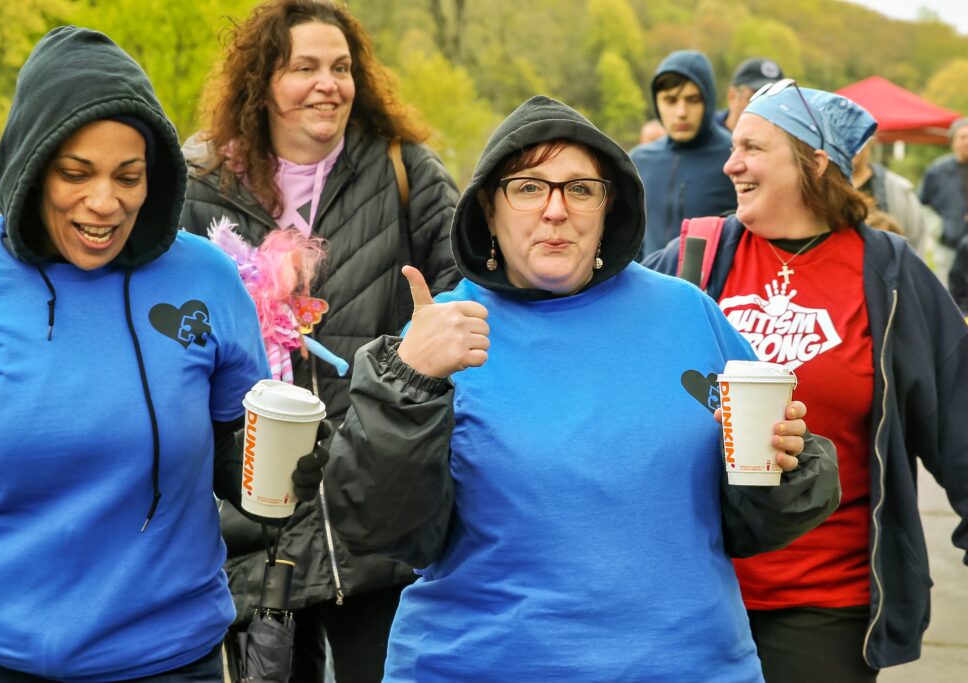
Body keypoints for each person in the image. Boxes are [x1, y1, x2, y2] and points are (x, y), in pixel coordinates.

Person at [323, 95, 841, 681]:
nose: (554, 210)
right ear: (488, 210)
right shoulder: (440, 334)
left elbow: (753, 520)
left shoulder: (689, 315)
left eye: (579, 189)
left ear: (607, 206)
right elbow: (380, 527)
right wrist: (410, 382)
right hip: (479, 665)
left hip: (689, 666)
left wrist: (786, 467)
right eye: (527, 187)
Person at [0, 26, 329, 683]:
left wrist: (290, 465)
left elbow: (238, 454)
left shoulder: (206, 279)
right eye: (75, 173)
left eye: (129, 176)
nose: (105, 201)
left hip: (172, 660)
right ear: (30, 166)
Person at [645, 82, 968, 681]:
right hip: (693, 590)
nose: (730, 162)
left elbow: (960, 417)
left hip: (825, 602)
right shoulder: (697, 255)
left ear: (814, 163)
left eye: (752, 146)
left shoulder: (891, 274)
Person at [178, 1, 460, 680]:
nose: (327, 84)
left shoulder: (405, 171)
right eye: (304, 67)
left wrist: (422, 352)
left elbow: (465, 293)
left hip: (377, 512)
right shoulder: (202, 189)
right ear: (262, 82)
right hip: (253, 519)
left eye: (341, 67)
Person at [630, 49, 737, 257]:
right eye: (670, 100)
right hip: (650, 285)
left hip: (714, 288)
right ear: (656, 102)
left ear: (708, 100)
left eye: (693, 99)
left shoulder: (735, 157)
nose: (681, 112)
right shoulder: (639, 161)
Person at [851, 136, 930, 256]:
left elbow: (916, 241)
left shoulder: (898, 189)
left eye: (854, 138)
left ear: (870, 140)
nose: (850, 147)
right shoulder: (825, 189)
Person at [919, 116, 968, 284]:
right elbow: (922, 205)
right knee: (950, 299)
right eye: (962, 137)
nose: (966, 142)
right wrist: (939, 229)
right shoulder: (937, 171)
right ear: (953, 141)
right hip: (948, 249)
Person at [716, 57, 785, 132]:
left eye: (773, 99)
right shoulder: (704, 134)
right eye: (755, 99)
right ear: (732, 96)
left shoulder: (783, 139)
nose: (765, 108)